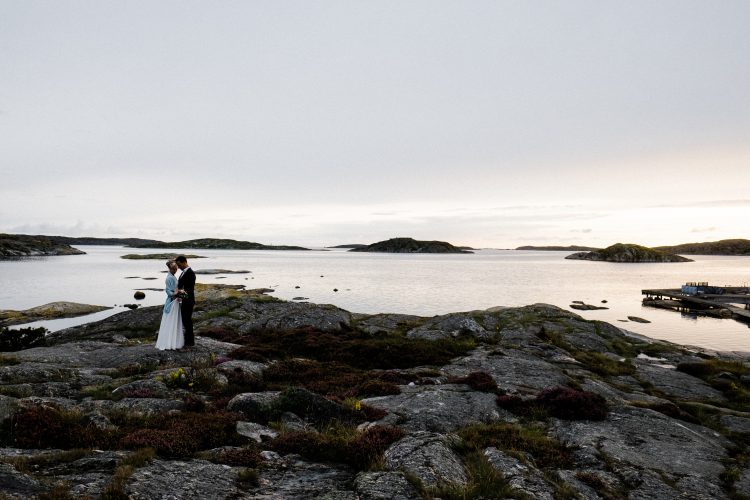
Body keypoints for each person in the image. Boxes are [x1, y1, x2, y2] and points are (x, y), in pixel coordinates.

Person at [155, 260, 184, 350]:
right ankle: (169, 342)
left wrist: (178, 293)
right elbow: (168, 291)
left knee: (174, 321)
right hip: (172, 301)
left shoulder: (172, 276)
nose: (175, 270)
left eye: (176, 269)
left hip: (175, 301)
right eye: (173, 269)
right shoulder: (169, 278)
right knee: (171, 321)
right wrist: (176, 294)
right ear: (170, 268)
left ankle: (173, 341)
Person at [175, 255, 196, 347]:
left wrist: (178, 294)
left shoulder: (191, 273)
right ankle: (187, 340)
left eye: (179, 265)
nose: (178, 267)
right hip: (184, 300)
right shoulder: (183, 272)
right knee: (185, 321)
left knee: (187, 321)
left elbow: (189, 290)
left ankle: (190, 342)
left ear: (184, 262)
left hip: (188, 300)